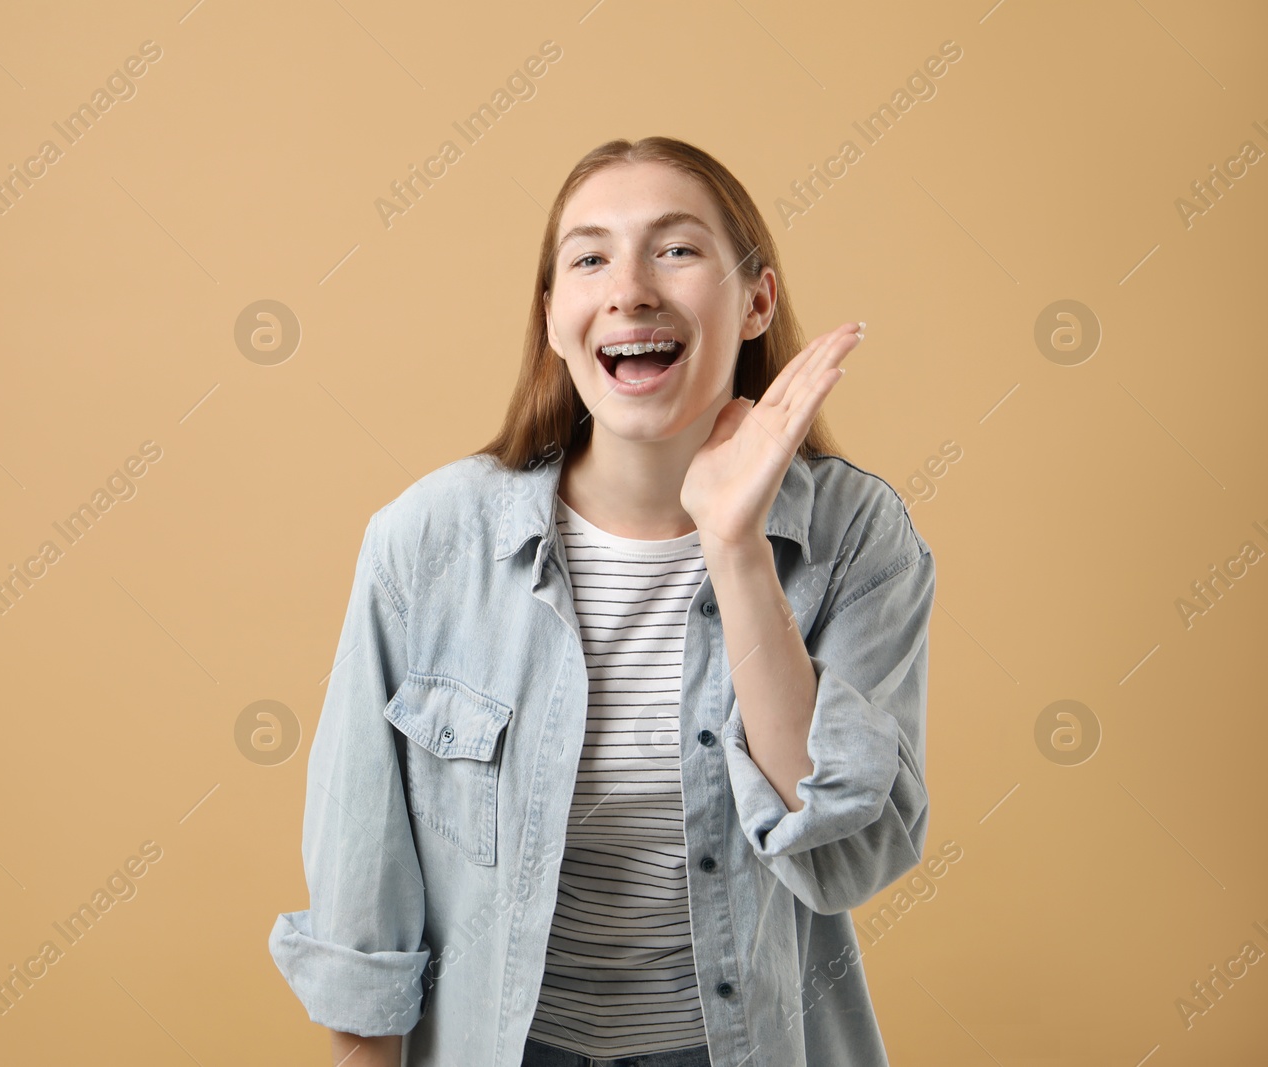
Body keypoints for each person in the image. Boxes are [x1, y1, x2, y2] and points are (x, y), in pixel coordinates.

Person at [269, 136, 937, 1067]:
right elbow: (360, 897)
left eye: (676, 249)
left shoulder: (859, 537)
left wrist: (735, 545)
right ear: (553, 318)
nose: (631, 288)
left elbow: (837, 847)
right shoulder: (427, 542)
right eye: (589, 257)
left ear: (756, 303)